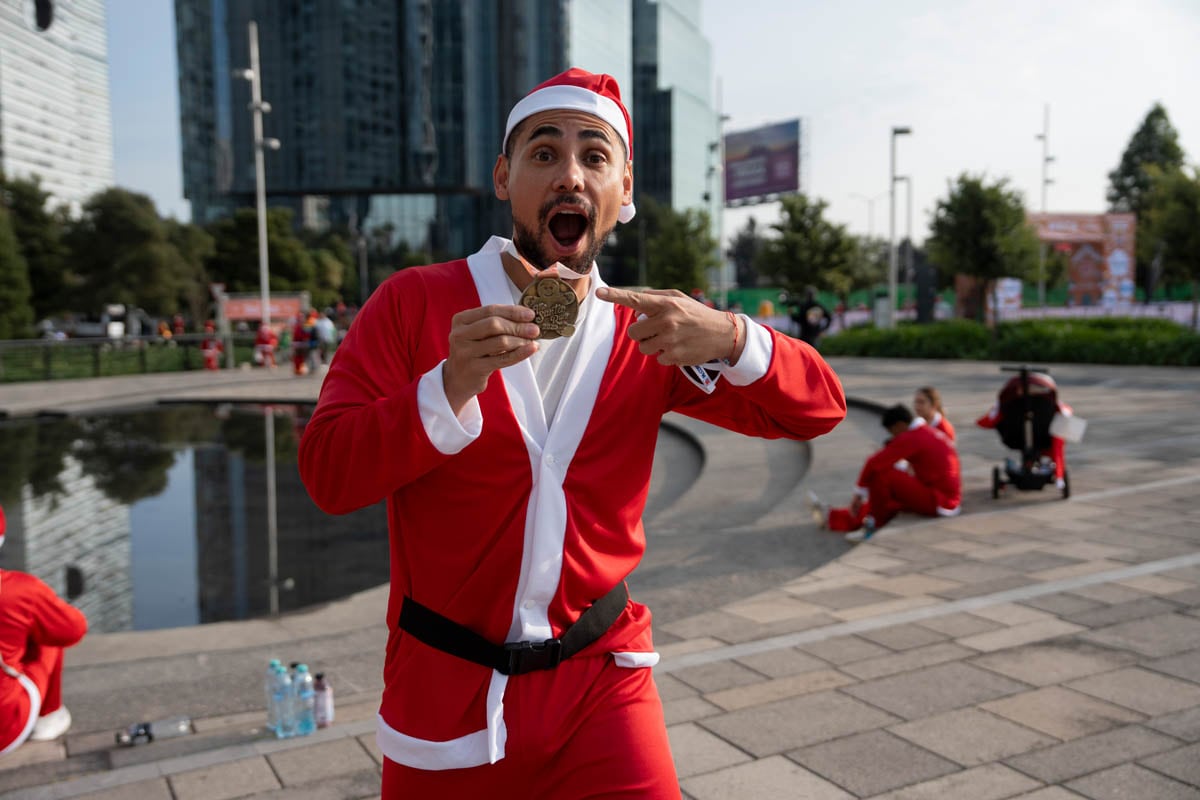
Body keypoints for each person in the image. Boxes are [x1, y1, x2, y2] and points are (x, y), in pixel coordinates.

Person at [298, 67, 846, 798]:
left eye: (595, 156)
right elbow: (329, 475)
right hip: (445, 696)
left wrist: (731, 336)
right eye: (544, 153)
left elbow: (817, 410)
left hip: (604, 686)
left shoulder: (651, 329)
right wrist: (447, 386)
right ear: (504, 176)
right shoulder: (413, 302)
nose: (570, 175)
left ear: (623, 194)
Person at [0, 503, 89, 755]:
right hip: (6, 726)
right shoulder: (18, 590)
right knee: (49, 630)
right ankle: (48, 718)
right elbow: (73, 629)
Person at [809, 404, 960, 542]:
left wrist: (858, 493)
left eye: (892, 432)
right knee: (885, 499)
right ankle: (834, 517)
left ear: (900, 425)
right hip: (942, 496)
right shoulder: (924, 432)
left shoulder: (913, 436)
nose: (894, 437)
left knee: (882, 474)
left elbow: (874, 462)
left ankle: (872, 525)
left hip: (940, 500)